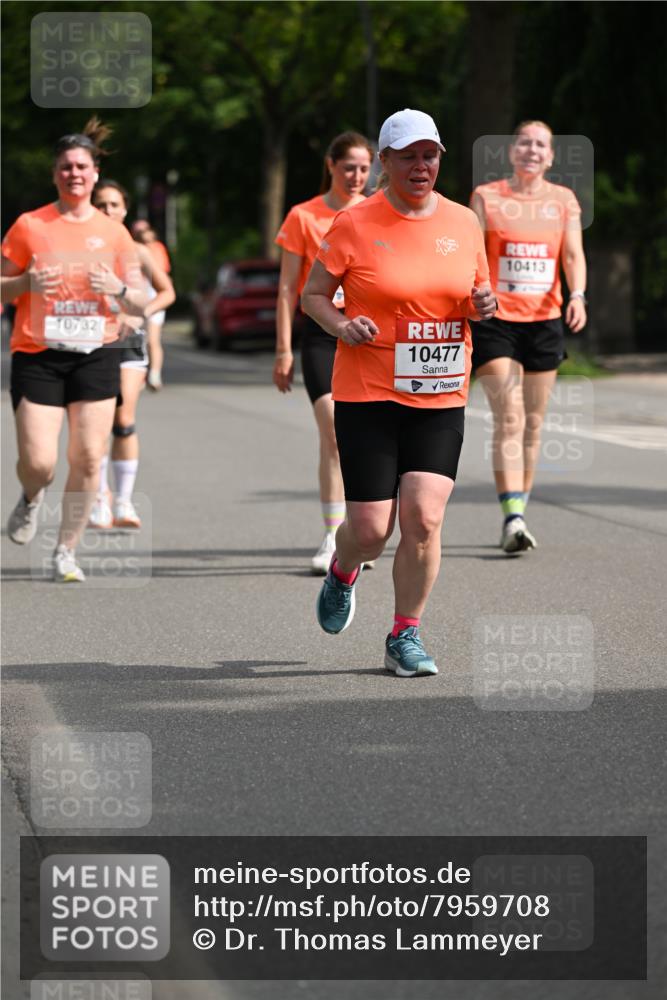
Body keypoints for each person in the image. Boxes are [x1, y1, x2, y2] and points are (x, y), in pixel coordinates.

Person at [301, 109, 496, 676]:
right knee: (369, 530)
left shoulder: (464, 223)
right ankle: (343, 570)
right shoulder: (354, 223)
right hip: (368, 392)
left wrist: (483, 305)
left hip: (439, 393)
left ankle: (404, 635)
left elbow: (474, 294)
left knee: (424, 517)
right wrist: (340, 325)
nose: (421, 165)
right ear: (384, 162)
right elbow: (315, 295)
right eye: (407, 155)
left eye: (429, 154)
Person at [1, 118, 146, 581]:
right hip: (38, 353)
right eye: (65, 167)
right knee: (40, 462)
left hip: (97, 352)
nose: (74, 174)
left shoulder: (115, 233)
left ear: (95, 174)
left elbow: (142, 298)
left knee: (86, 457)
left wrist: (119, 287)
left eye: (82, 166)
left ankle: (66, 550)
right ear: (55, 174)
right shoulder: (30, 226)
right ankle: (30, 496)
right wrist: (24, 282)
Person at [470, 120, 587, 553]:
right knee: (511, 416)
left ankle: (519, 511)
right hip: (496, 319)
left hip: (545, 319)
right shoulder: (487, 196)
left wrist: (577, 295)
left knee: (534, 425)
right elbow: (473, 253)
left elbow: (572, 253)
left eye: (541, 145)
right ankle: (512, 517)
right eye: (525, 143)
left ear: (551, 156)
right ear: (512, 151)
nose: (532, 150)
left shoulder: (563, 201)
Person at [274, 131, 374, 574]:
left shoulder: (378, 212)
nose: (356, 177)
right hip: (319, 333)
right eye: (348, 167)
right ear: (330, 166)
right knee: (333, 432)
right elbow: (285, 289)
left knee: (366, 436)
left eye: (365, 169)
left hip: (369, 336)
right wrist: (282, 350)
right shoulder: (304, 216)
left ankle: (361, 528)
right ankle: (333, 535)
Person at [89, 181, 175, 529]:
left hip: (127, 341)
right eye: (101, 205)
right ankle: (99, 498)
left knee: (122, 419)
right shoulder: (82, 248)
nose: (108, 211)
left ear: (125, 210)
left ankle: (123, 501)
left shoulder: (139, 252)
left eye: (114, 205)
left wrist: (142, 311)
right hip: (90, 342)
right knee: (94, 426)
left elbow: (168, 292)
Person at [131, 220, 172, 390]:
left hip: (154, 295)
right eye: (140, 232)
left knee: (153, 338)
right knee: (134, 338)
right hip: (135, 295)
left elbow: (161, 274)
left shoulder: (157, 249)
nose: (144, 234)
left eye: (146, 231)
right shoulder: (129, 247)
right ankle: (137, 373)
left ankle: (154, 374)